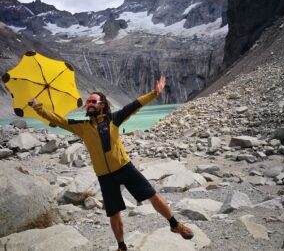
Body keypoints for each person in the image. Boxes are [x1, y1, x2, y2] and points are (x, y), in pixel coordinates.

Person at [29, 76, 193, 251]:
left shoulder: (114, 119)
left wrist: (154, 93)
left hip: (125, 168)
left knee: (152, 195)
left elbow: (135, 105)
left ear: (102, 104)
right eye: (88, 101)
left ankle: (175, 224)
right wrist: (38, 107)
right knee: (114, 213)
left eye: (93, 101)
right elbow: (57, 120)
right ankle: (121, 246)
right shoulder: (82, 127)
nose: (89, 103)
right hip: (105, 176)